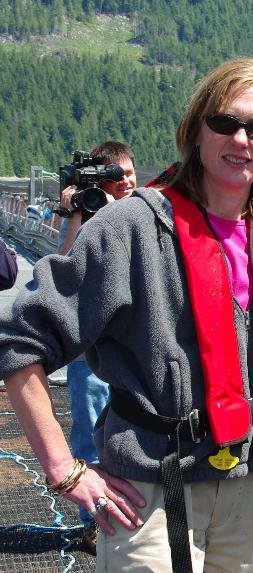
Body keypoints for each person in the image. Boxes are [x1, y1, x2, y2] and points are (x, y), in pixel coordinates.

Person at [0, 57, 253, 573]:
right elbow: (20, 339)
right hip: (151, 492)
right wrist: (63, 469)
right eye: (226, 122)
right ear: (197, 128)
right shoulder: (130, 228)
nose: (241, 140)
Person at [57, 140, 138, 549]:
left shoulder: (142, 212)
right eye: (114, 175)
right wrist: (77, 214)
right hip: (89, 345)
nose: (124, 181)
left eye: (128, 173)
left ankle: (131, 506)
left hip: (130, 343)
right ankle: (93, 519)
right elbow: (65, 268)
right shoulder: (86, 212)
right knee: (89, 428)